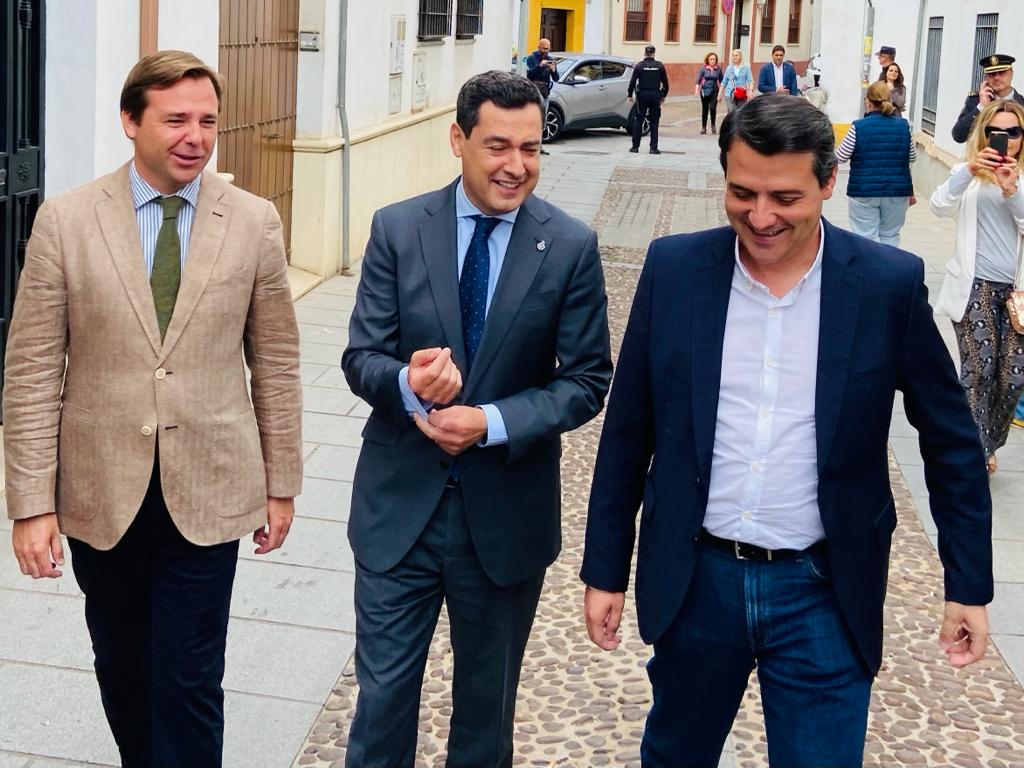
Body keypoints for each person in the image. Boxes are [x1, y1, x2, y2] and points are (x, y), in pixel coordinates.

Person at [581, 94, 992, 768]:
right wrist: (605, 570)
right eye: (742, 193)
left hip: (825, 592)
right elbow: (629, 430)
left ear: (828, 183)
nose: (761, 216)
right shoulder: (675, 271)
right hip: (695, 584)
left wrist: (967, 582)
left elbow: (949, 441)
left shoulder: (888, 284)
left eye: (785, 197)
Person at [4, 50, 302, 768]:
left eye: (207, 121)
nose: (194, 136)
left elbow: (278, 361)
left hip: (211, 482)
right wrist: (29, 504)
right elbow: (34, 369)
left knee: (191, 675)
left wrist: (281, 480)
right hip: (102, 486)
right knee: (124, 666)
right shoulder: (67, 221)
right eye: (175, 120)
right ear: (130, 122)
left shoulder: (254, 222)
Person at [341, 70, 612, 768]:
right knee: (383, 706)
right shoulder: (398, 228)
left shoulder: (571, 245)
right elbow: (360, 355)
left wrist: (489, 420)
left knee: (485, 717)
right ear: (458, 139)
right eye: (497, 146)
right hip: (398, 513)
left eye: (530, 148)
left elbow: (586, 381)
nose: (515, 166)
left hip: (503, 520)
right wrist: (406, 381)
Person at [931, 100, 1024, 475]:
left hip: (1016, 294)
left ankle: (989, 439)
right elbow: (938, 206)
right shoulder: (966, 174)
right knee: (979, 371)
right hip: (975, 288)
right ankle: (973, 449)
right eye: (996, 132)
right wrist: (968, 171)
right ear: (984, 133)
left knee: (1012, 376)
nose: (1005, 140)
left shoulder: (1019, 179)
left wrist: (1011, 189)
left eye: (1013, 132)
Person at [836, 81, 916, 246]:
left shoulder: (858, 127)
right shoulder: (903, 126)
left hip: (864, 190)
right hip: (897, 190)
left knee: (866, 238)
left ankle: (869, 271)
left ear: (869, 102)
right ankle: (888, 270)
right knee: (890, 236)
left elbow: (841, 156)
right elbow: (912, 156)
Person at [953, 54, 1024, 143]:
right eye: (991, 74)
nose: (996, 78)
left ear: (1011, 74)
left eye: (1002, 72)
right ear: (986, 77)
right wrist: (981, 107)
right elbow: (958, 136)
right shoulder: (975, 101)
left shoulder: (1021, 104)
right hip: (982, 155)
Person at [628, 44, 670, 154]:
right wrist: (663, 96)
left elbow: (632, 82)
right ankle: (653, 148)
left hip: (642, 95)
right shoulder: (660, 66)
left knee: (639, 121)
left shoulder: (639, 66)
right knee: (654, 122)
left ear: (645, 53)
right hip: (655, 95)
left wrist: (629, 95)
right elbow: (665, 83)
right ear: (654, 54)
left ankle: (635, 147)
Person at [525, 38, 558, 154]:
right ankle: (530, 144)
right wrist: (540, 66)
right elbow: (529, 74)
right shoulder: (532, 58)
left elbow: (556, 78)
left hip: (545, 93)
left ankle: (540, 145)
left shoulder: (550, 59)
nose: (545, 51)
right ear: (539, 46)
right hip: (533, 91)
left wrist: (553, 70)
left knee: (543, 119)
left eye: (548, 49)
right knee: (533, 118)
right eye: (543, 48)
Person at [695, 52, 724, 135]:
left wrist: (721, 93)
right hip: (704, 91)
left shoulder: (718, 69)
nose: (712, 61)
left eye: (714, 59)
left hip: (715, 91)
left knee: (713, 108)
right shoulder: (703, 69)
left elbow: (722, 81)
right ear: (708, 60)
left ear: (716, 60)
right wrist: (697, 89)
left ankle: (713, 125)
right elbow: (698, 79)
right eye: (711, 59)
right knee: (705, 109)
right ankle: (703, 127)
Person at [721, 48, 754, 114]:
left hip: (741, 94)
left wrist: (750, 91)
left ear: (740, 56)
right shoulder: (729, 68)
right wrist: (719, 93)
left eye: (736, 55)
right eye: (733, 55)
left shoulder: (746, 68)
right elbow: (724, 82)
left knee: (741, 113)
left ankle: (733, 123)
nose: (735, 57)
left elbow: (750, 81)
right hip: (729, 94)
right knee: (732, 112)